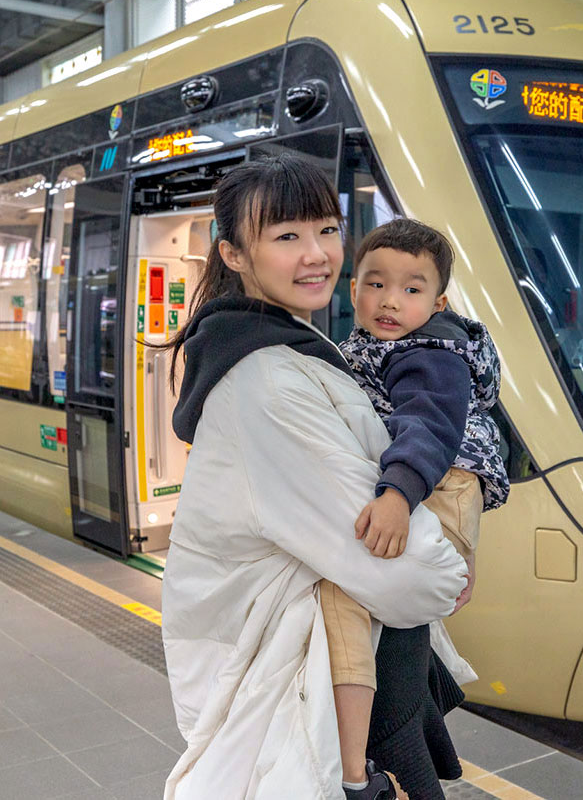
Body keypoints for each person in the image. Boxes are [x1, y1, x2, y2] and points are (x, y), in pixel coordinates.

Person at [159, 155, 469, 800]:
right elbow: (407, 571)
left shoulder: (290, 348)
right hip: (290, 715)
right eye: (286, 236)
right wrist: (454, 568)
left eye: (327, 230)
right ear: (235, 254)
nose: (317, 255)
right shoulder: (269, 380)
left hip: (300, 702)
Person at [321, 219, 509, 798]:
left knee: (343, 591)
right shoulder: (365, 347)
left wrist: (398, 495)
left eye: (411, 289)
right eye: (375, 284)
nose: (389, 301)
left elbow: (427, 424)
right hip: (438, 487)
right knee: (383, 606)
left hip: (436, 483)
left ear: (438, 301)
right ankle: (401, 734)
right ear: (353, 290)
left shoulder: (434, 349)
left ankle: (362, 766)